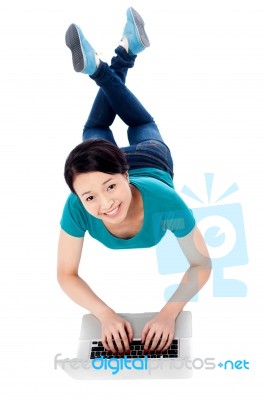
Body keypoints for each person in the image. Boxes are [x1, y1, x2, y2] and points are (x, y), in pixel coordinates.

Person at [58, 7, 212, 356]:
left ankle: (107, 64)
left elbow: (202, 263)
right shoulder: (78, 204)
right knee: (101, 130)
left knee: (109, 129)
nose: (105, 204)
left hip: (151, 157)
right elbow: (66, 273)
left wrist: (170, 314)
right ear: (77, 197)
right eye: (89, 198)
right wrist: (104, 315)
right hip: (106, 164)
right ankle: (121, 56)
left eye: (111, 188)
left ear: (124, 175)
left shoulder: (164, 201)